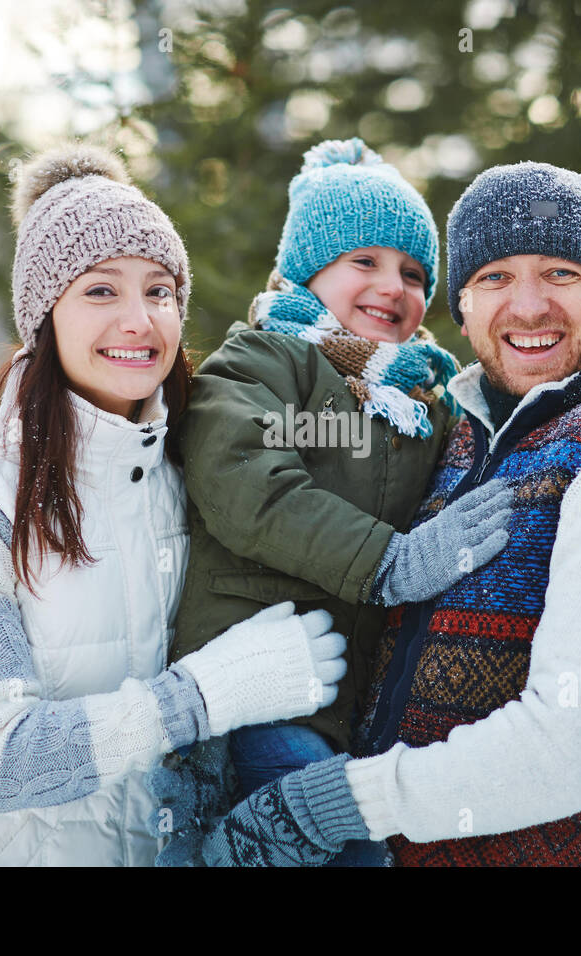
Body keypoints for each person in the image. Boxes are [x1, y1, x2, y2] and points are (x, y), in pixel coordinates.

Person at [201, 160, 581, 867]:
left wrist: (323, 804)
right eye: (495, 278)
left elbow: (569, 747)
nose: (527, 306)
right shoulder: (454, 435)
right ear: (465, 310)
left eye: (561, 273)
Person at [0, 144, 348, 866]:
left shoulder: (189, 467)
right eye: (101, 291)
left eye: (160, 291)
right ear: (44, 313)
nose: (140, 320)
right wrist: (201, 697)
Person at [154, 138, 513, 866]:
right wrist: (391, 562)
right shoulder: (264, 361)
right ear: (305, 272)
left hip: (343, 708)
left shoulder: (420, 401)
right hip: (248, 690)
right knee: (349, 849)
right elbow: (243, 480)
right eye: (365, 263)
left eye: (414, 273)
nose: (394, 286)